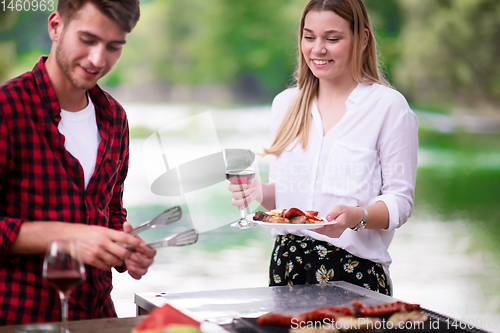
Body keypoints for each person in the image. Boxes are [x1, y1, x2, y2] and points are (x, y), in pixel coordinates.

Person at [229, 0, 418, 295]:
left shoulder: (388, 107)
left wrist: (358, 216)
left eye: (332, 38)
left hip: (354, 273)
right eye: (309, 37)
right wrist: (257, 192)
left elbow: (401, 202)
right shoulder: (285, 104)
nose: (318, 49)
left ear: (363, 39)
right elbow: (284, 200)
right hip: (286, 269)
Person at [0, 0, 156, 325]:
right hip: (20, 320)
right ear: (56, 26)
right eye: (87, 40)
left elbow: (110, 211)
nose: (98, 59)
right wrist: (67, 237)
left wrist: (123, 246)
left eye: (114, 46)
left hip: (99, 318)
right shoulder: (7, 109)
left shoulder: (115, 118)